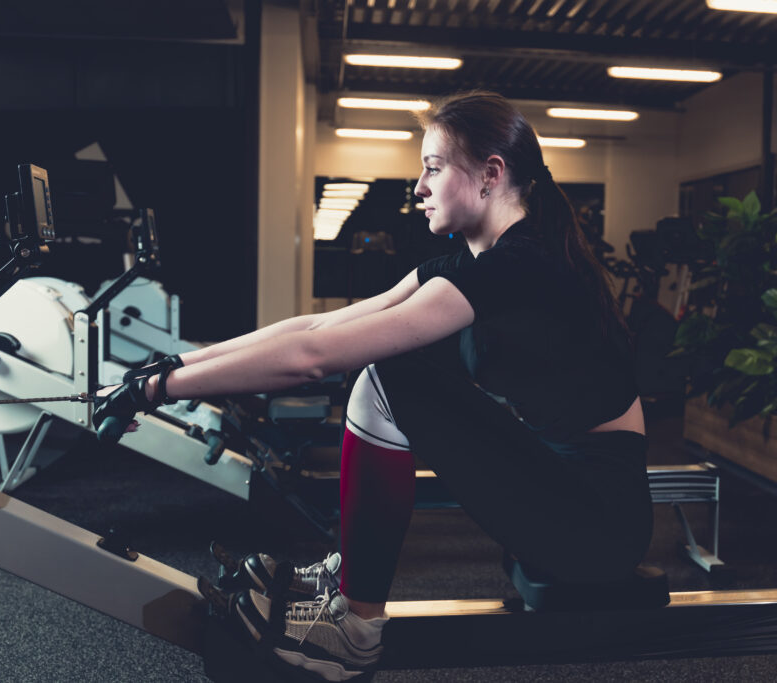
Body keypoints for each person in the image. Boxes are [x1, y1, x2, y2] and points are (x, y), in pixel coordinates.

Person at [94, 91, 652, 681]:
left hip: (597, 529)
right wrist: (172, 365)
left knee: (388, 377)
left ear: (491, 174)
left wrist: (160, 391)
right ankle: (347, 581)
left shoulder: (523, 266)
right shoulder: (475, 264)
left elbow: (313, 358)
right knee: (389, 372)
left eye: (433, 168)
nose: (418, 187)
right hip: (560, 493)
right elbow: (317, 325)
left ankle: (356, 628)